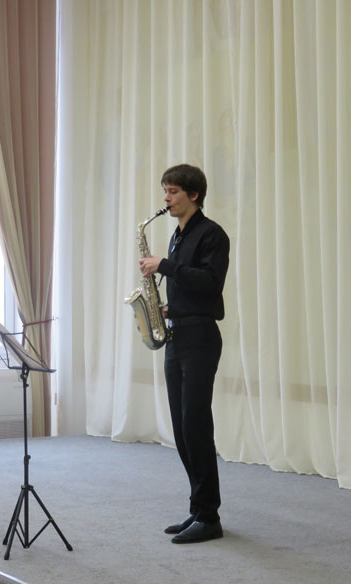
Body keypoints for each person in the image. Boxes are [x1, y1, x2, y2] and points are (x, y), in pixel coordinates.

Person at [139, 164, 230, 544]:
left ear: (194, 195)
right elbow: (187, 288)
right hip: (177, 335)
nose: (166, 198)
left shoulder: (212, 235)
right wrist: (167, 309)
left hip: (200, 339)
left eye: (173, 191)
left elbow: (210, 284)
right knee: (180, 428)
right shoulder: (178, 236)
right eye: (165, 190)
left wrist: (166, 266)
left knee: (196, 426)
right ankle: (197, 508)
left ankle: (210, 517)